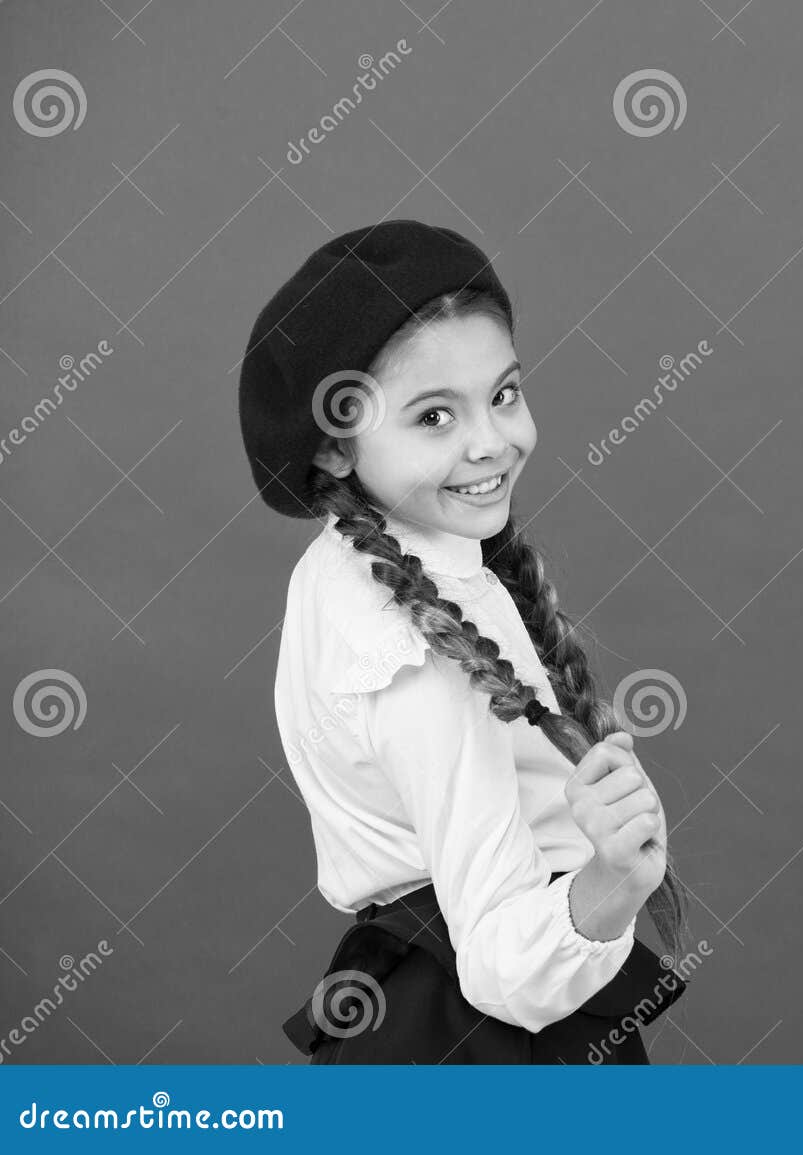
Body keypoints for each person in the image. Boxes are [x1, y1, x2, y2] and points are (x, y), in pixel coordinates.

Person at [238, 220, 688, 1063]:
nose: (491, 442)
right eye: (433, 415)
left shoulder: (356, 565)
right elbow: (499, 966)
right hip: (476, 1043)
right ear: (336, 447)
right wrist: (614, 882)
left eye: (505, 393)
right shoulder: (409, 654)